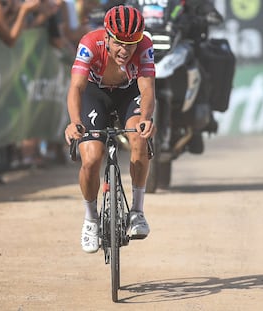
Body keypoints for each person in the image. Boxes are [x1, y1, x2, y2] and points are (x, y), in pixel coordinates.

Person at [64, 5, 156, 253]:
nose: (125, 51)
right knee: (92, 157)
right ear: (106, 37)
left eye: (131, 44)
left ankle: (137, 211)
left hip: (128, 94)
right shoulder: (89, 43)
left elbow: (147, 89)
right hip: (96, 94)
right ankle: (91, 219)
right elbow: (76, 88)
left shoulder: (146, 45)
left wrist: (146, 118)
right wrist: (74, 122)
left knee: (139, 137)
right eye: (118, 44)